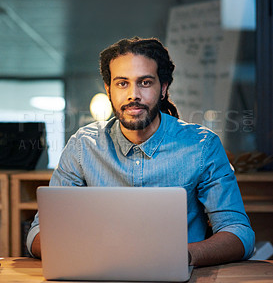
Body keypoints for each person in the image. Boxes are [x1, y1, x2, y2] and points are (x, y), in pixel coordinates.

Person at [27, 36, 255, 265]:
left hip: (182, 281)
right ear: (108, 90)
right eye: (122, 83)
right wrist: (91, 255)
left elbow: (239, 233)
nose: (133, 95)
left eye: (145, 82)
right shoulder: (82, 147)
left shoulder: (202, 146)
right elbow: (38, 233)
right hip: (98, 278)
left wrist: (181, 257)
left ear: (163, 88)